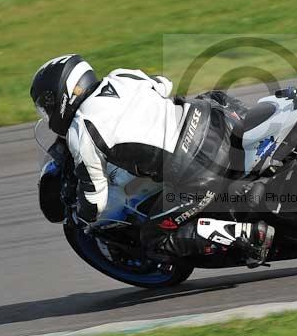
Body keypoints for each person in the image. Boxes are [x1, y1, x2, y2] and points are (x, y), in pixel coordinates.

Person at [30, 54, 274, 266]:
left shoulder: (81, 129)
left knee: (154, 239)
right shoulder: (120, 77)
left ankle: (248, 236)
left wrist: (82, 217)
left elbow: (96, 198)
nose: (47, 113)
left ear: (63, 94)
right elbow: (163, 85)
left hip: (197, 170)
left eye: (46, 105)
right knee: (210, 97)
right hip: (213, 123)